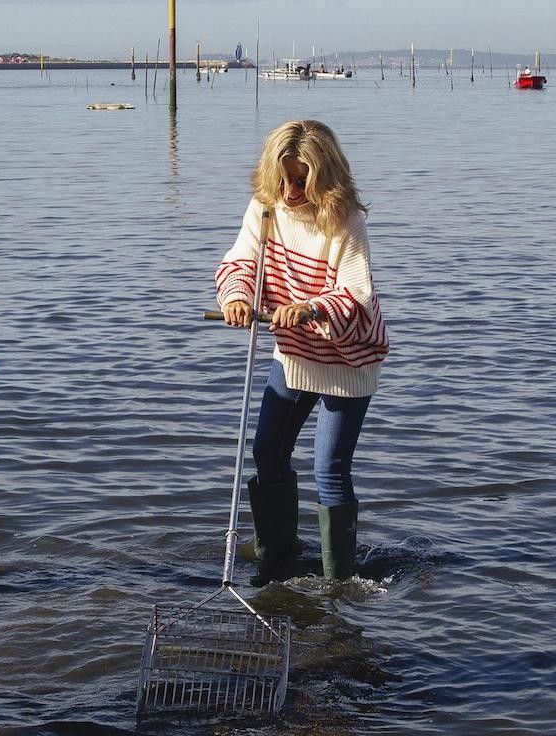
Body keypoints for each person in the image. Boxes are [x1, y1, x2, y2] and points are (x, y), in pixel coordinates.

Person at [215, 120, 389, 584]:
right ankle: (278, 557)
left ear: (323, 175)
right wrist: (235, 296)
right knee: (267, 452)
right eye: (285, 179)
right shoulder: (265, 208)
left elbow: (357, 294)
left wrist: (310, 306)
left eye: (302, 180)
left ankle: (339, 582)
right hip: (292, 353)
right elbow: (240, 260)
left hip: (347, 357)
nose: (291, 191)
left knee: (328, 468)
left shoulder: (346, 219)